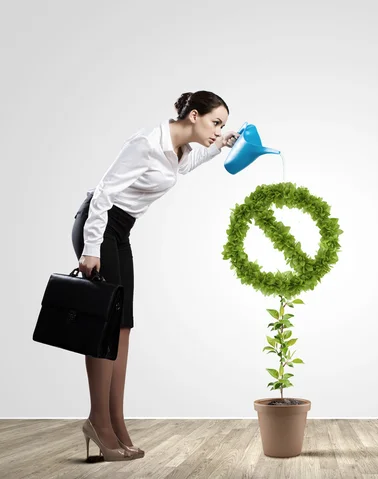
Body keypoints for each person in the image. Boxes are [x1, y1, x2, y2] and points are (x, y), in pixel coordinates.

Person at [71, 90, 239, 461]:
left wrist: (222, 146)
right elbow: (103, 194)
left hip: (121, 231)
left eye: (223, 126)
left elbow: (184, 167)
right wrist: (91, 248)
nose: (218, 130)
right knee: (104, 326)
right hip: (99, 227)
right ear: (194, 115)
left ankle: (115, 421)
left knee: (122, 327)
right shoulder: (147, 143)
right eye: (216, 123)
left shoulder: (179, 151)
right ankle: (99, 423)